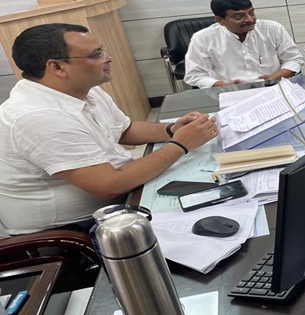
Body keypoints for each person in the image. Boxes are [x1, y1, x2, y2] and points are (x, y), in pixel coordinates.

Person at [0, 24, 217, 236]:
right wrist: (180, 144)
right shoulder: (39, 116)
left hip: (120, 197)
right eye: (97, 55)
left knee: (215, 184)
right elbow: (109, 185)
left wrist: (172, 129)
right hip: (70, 232)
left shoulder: (81, 89)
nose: (108, 58)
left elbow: (125, 130)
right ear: (57, 67)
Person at [184, 0, 303, 88]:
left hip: (274, 87)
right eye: (239, 16)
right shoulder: (203, 38)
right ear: (220, 20)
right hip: (228, 92)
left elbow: (294, 59)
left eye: (251, 13)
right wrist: (224, 85)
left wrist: (273, 78)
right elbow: (195, 75)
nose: (249, 19)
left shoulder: (273, 29)